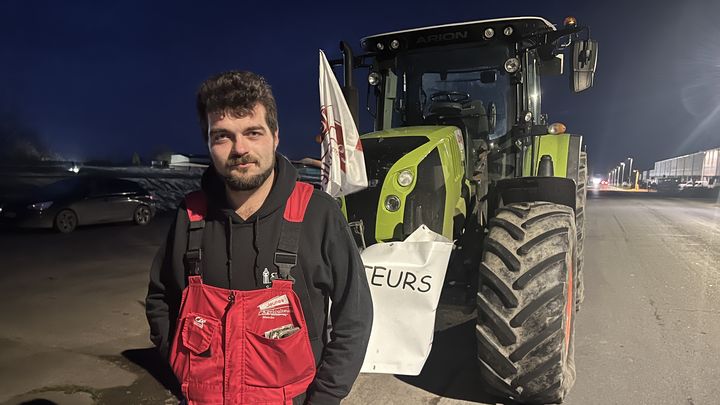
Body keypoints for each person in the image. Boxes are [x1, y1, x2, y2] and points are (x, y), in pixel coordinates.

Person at [145, 71, 373, 404]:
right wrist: (182, 367)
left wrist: (325, 397)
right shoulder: (189, 216)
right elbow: (160, 300)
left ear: (275, 136)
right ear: (208, 143)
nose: (240, 149)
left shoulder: (318, 215)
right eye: (222, 136)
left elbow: (354, 316)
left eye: (253, 132)